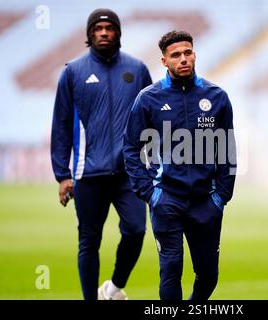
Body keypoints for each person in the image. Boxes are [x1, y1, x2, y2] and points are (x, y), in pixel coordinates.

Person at [123, 30, 237, 300]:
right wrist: (150, 194)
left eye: (188, 53)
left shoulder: (217, 97)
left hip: (206, 201)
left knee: (208, 274)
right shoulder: (148, 99)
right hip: (167, 200)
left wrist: (221, 195)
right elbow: (131, 148)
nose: (183, 59)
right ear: (164, 61)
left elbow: (228, 150)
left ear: (194, 55)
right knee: (171, 268)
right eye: (176, 55)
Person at [50, 8, 152, 300]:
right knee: (89, 242)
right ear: (89, 34)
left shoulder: (137, 69)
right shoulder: (73, 72)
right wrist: (63, 175)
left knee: (136, 231)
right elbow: (60, 126)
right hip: (88, 174)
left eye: (109, 28)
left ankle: (114, 287)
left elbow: (151, 121)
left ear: (118, 32)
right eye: (98, 28)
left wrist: (152, 163)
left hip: (129, 173)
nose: (104, 32)